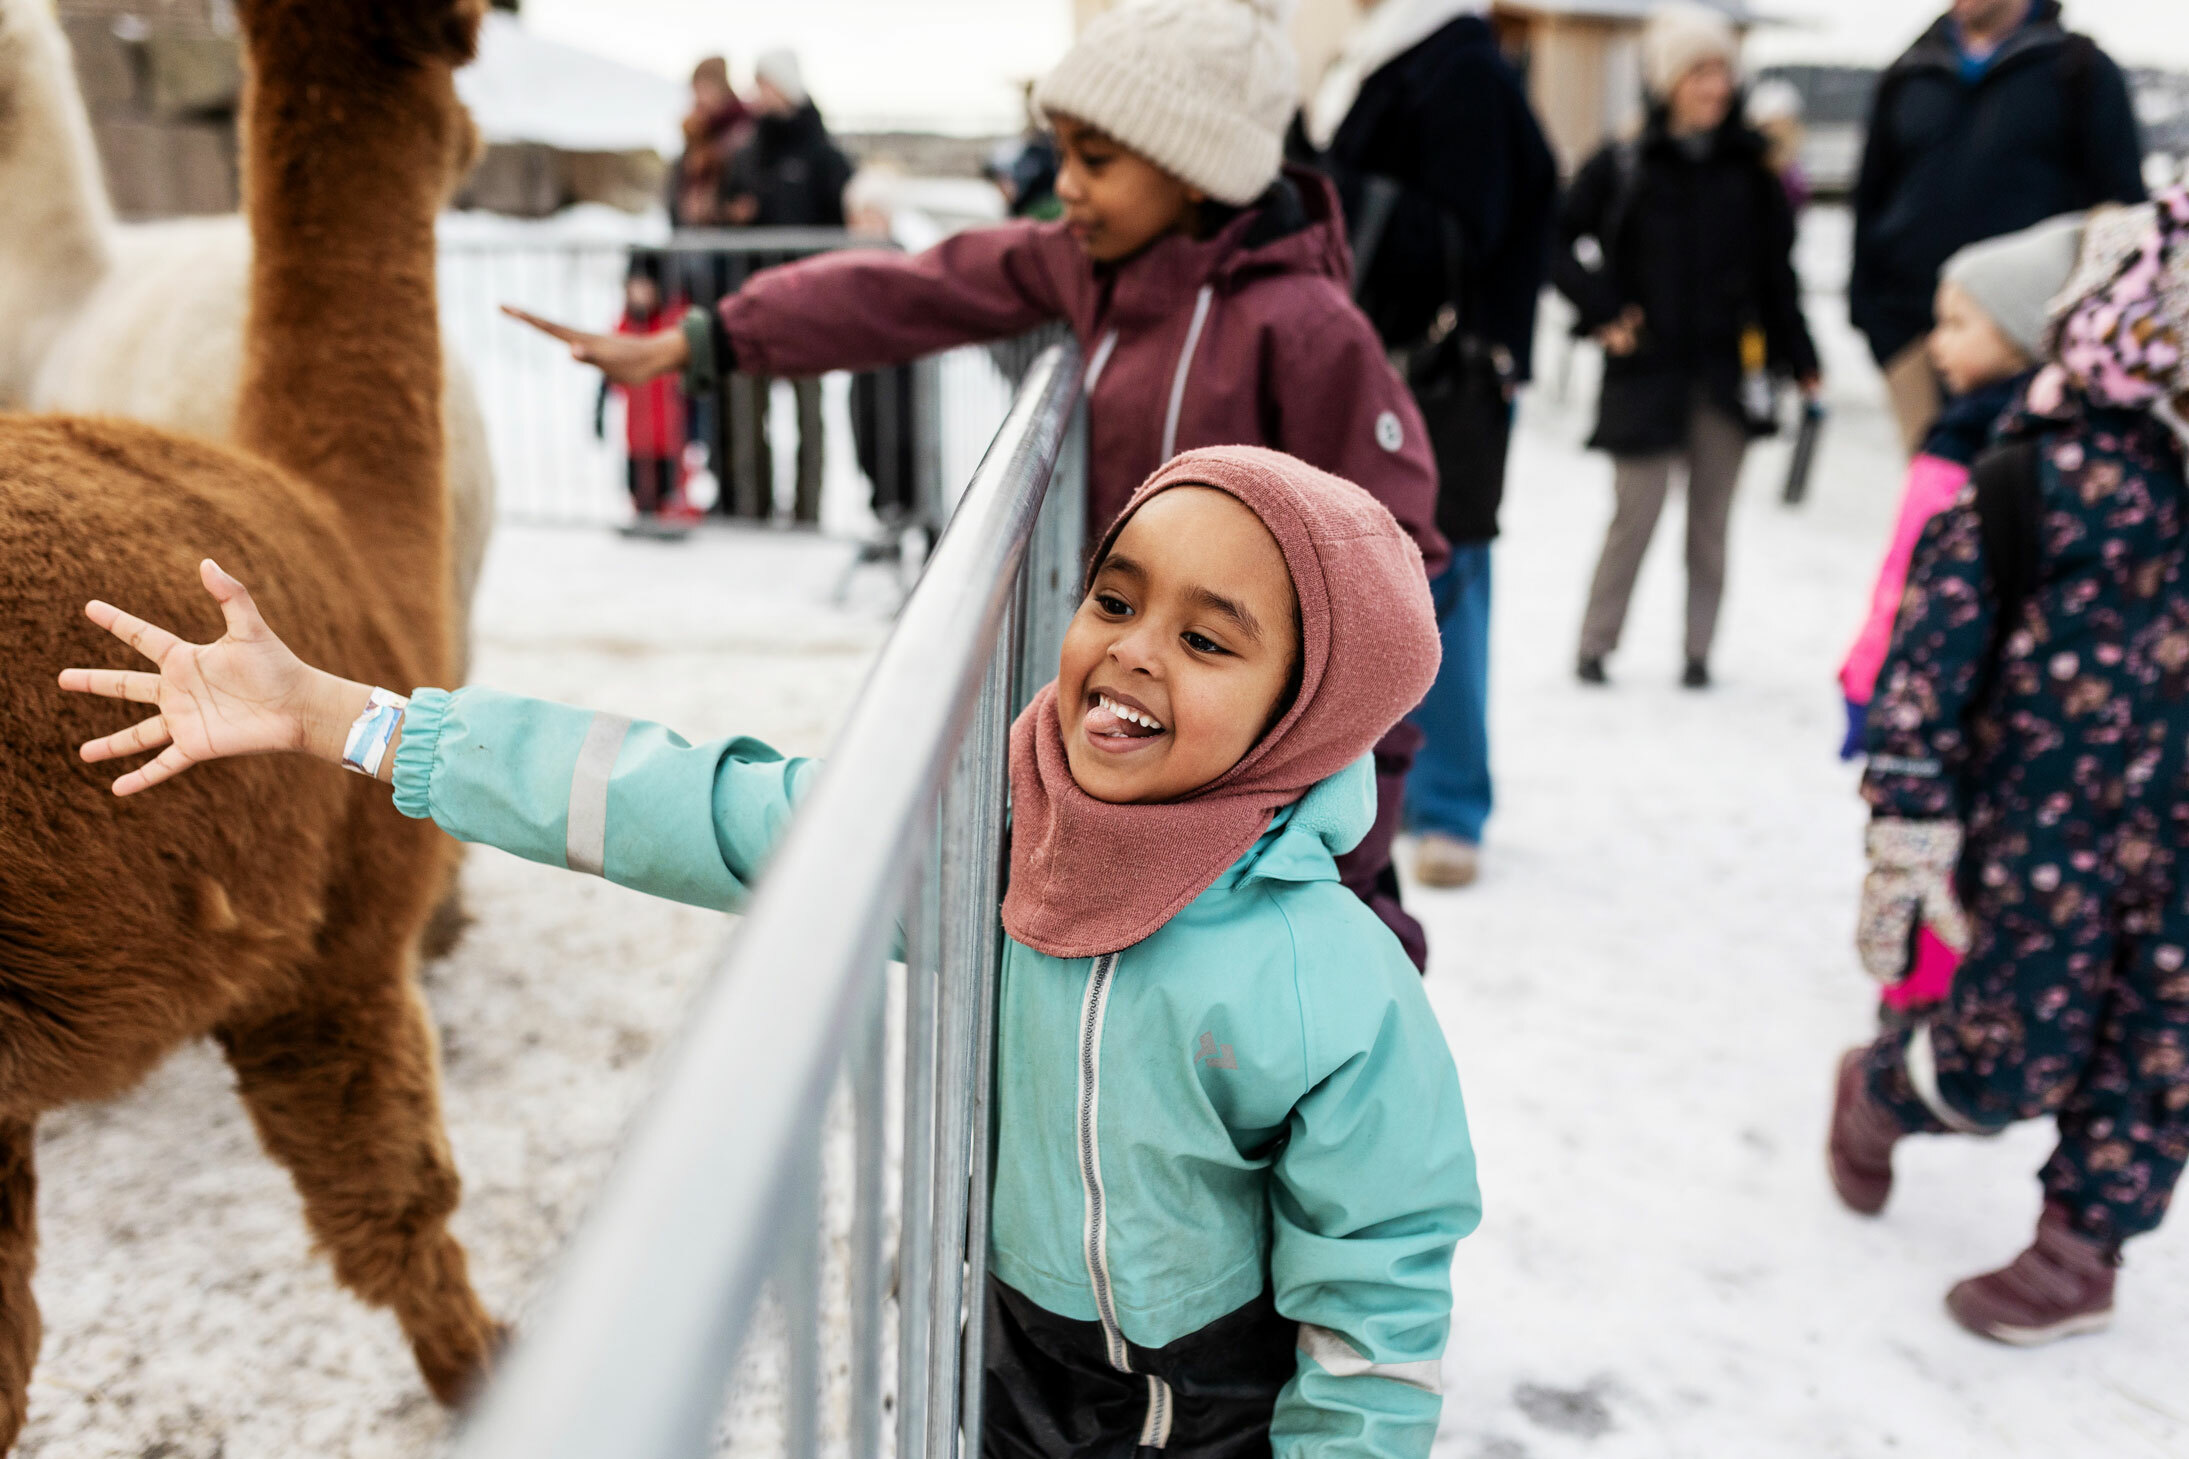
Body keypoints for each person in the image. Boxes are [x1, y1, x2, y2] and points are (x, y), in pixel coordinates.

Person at [59, 446, 1481, 1457]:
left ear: (1308, 708)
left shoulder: (1330, 983)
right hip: (1008, 1360)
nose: (1129, 652)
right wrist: (357, 720)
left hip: (1215, 1400)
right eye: (1114, 598)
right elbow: (688, 797)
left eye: (1210, 638)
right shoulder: (989, 835)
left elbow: (1381, 1279)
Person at [504, 0, 1450, 968]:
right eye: (1064, 154)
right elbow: (913, 289)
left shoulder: (1304, 331)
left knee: (1296, 992)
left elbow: (1396, 582)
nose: (1065, 189)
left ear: (1194, 166)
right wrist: (711, 339)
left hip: (1268, 783)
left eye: (1097, 160)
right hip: (1150, 737)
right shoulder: (1092, 267)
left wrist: (1349, 834)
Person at [1829, 191, 2189, 1345]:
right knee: (2003, 1056)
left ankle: (2080, 1253)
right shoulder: (2028, 480)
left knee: (2159, 1064)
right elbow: (1921, 682)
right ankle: (1885, 1089)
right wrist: (1905, 838)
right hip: (2045, 847)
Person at [1297, 0, 1557, 891]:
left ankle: (1449, 806)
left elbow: (1460, 231)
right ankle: (1416, 795)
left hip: (1445, 378)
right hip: (1419, 369)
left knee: (1442, 578)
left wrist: (1325, 187)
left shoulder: (1456, 68)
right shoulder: (1402, 55)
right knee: (1420, 575)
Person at [1834, 212, 2086, 1025]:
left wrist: (1869, 676)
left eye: (1958, 323)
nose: (1936, 343)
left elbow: (1915, 587)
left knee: (1936, 859)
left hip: (1940, 697)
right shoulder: (2003, 438)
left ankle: (1920, 1006)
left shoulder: (1982, 453)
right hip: (1952, 694)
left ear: (2020, 334)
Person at [1552, 1, 1819, 690]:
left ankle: (1698, 652)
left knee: (1709, 525)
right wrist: (1602, 311)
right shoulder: (1624, 160)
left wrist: (1802, 357)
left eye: (1722, 73)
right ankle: (1594, 644)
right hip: (1645, 370)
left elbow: (1775, 276)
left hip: (1725, 372)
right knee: (1632, 515)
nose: (1714, 88)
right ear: (1668, 79)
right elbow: (1552, 240)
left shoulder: (1752, 170)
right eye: (1698, 72)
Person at [1849, 0, 2144, 457]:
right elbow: (1870, 198)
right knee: (1935, 491)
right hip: (1912, 335)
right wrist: (1871, 316)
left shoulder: (2079, 69)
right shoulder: (1909, 72)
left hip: (2030, 349)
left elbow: (2122, 215)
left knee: (2018, 502)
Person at [718, 49, 853, 528]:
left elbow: (841, 224)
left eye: (766, 84)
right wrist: (735, 216)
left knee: (808, 412)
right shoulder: (746, 151)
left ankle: (806, 512)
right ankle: (754, 510)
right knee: (748, 409)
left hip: (808, 304)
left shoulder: (823, 153)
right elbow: (728, 208)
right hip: (754, 298)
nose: (759, 94)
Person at [593, 262, 692, 521]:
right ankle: (643, 511)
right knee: (637, 478)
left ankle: (670, 512)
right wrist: (599, 411)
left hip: (669, 427)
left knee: (669, 478)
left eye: (644, 287)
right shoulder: (624, 326)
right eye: (633, 287)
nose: (638, 294)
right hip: (636, 429)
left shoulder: (674, 321)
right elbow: (608, 368)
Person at [669, 56, 750, 230]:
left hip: (729, 234)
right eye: (696, 89)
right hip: (694, 231)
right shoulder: (697, 132)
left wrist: (724, 211)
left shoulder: (743, 130)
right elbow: (679, 183)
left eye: (705, 88)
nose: (699, 97)